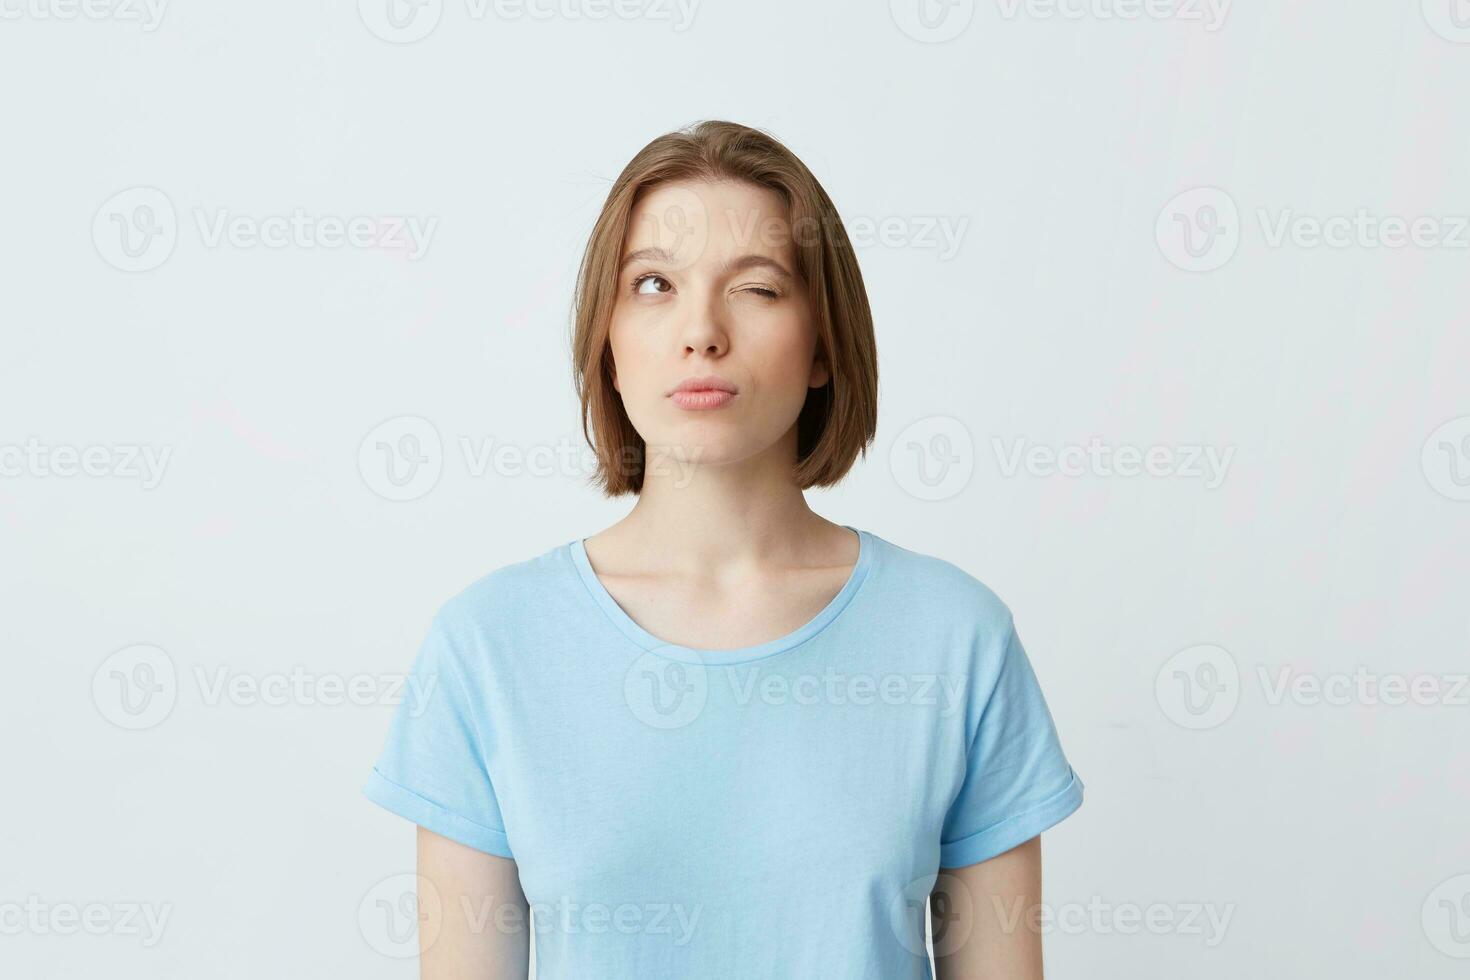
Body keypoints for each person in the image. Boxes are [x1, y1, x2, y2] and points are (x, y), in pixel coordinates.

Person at [363, 119, 1084, 979]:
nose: (701, 331)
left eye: (758, 288)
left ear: (823, 346)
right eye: (655, 283)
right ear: (608, 340)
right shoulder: (487, 645)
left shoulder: (956, 638)